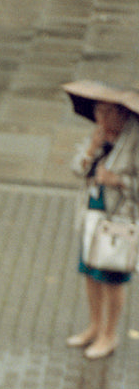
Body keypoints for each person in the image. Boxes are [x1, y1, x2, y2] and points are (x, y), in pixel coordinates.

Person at [67, 92, 139, 359]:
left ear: (123, 114)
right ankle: (94, 327)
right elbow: (77, 169)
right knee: (90, 273)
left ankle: (110, 334)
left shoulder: (134, 141)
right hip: (92, 216)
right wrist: (91, 150)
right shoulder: (97, 136)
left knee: (112, 278)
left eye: (108, 112)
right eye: (98, 111)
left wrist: (117, 181)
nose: (101, 117)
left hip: (119, 220)